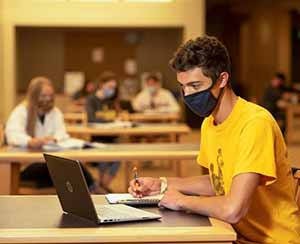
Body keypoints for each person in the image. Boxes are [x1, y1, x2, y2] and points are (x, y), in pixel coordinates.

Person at [128, 36, 300, 244]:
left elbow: (233, 209)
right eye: (183, 87)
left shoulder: (255, 123)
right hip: (232, 233)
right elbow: (218, 181)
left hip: (270, 240)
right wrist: (161, 184)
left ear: (222, 79)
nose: (188, 94)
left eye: (195, 85)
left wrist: (182, 201)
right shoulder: (209, 123)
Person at [5, 76, 95, 189]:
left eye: (50, 96)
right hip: (26, 165)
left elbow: (62, 132)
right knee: (65, 170)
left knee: (74, 167)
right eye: (43, 96)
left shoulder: (55, 112)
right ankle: (94, 189)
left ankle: (90, 191)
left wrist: (54, 139)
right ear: (34, 96)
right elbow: (12, 134)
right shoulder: (21, 111)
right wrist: (30, 141)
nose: (48, 99)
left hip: (48, 160)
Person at [85, 71, 120, 192]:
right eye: (110, 87)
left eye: (114, 88)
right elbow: (91, 119)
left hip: (113, 136)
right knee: (103, 158)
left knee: (119, 157)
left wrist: (114, 119)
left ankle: (103, 185)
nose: (112, 90)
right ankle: (102, 186)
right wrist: (108, 120)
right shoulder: (91, 100)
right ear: (101, 85)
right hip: (98, 137)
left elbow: (116, 116)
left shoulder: (111, 100)